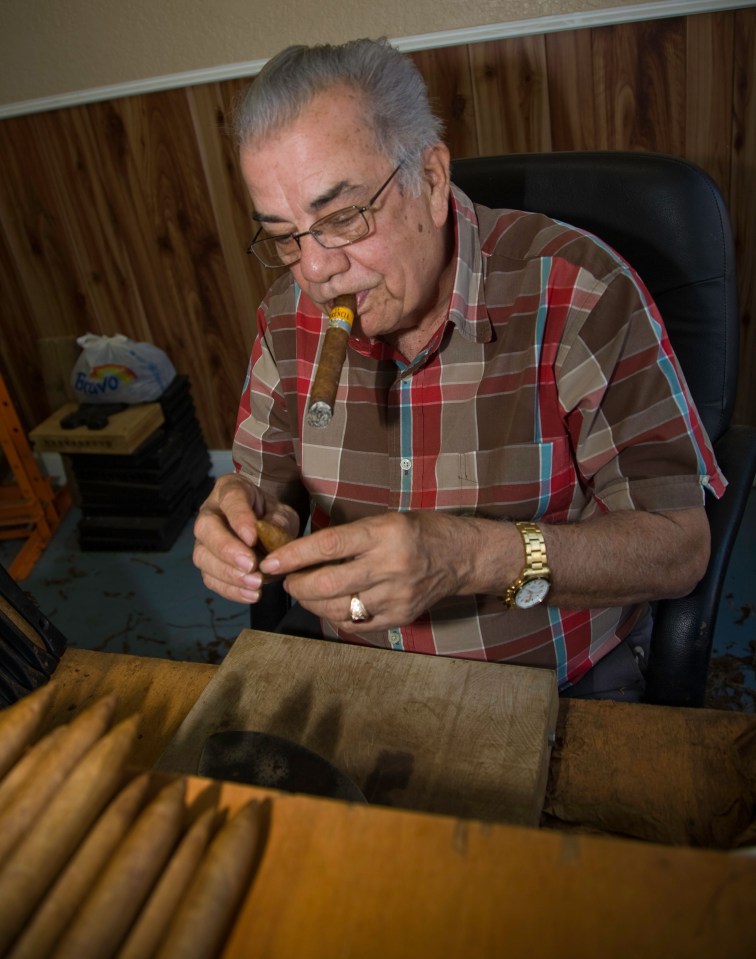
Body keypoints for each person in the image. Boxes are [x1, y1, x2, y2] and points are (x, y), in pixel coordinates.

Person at [193, 38, 726, 700]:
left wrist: (469, 558)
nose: (314, 269)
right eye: (283, 235)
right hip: (355, 681)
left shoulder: (579, 292)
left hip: (556, 695)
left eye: (342, 217)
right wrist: (241, 524)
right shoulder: (286, 317)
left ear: (433, 179)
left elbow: (679, 548)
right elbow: (266, 494)